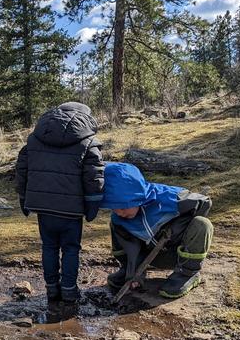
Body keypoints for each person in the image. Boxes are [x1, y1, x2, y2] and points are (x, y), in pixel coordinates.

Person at [15, 102, 105, 321]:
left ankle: (52, 290)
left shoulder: (35, 138)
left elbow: (22, 170)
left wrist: (24, 199)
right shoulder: (88, 142)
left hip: (43, 207)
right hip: (71, 210)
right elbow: (94, 178)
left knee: (49, 247)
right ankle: (69, 291)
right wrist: (92, 207)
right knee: (71, 249)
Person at [99, 162, 213, 298]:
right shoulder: (119, 219)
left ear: (136, 197)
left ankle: (187, 275)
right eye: (113, 207)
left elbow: (205, 203)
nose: (119, 212)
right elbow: (131, 247)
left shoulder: (171, 198)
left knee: (202, 223)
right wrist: (134, 274)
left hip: (178, 254)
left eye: (123, 207)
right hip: (149, 256)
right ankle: (127, 269)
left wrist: (176, 226)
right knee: (115, 224)